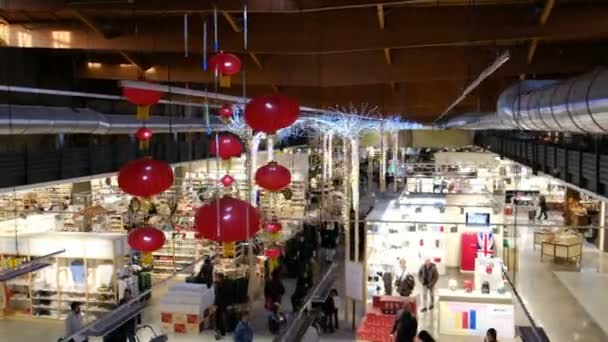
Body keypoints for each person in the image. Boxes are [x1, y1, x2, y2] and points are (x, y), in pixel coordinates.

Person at [213, 273, 230, 340]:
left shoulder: (221, 285)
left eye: (217, 278)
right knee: (219, 318)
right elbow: (216, 295)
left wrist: (215, 304)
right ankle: (220, 332)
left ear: (221, 278)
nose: (216, 279)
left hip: (221, 304)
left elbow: (218, 295)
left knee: (220, 318)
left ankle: (221, 332)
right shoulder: (221, 284)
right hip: (221, 304)